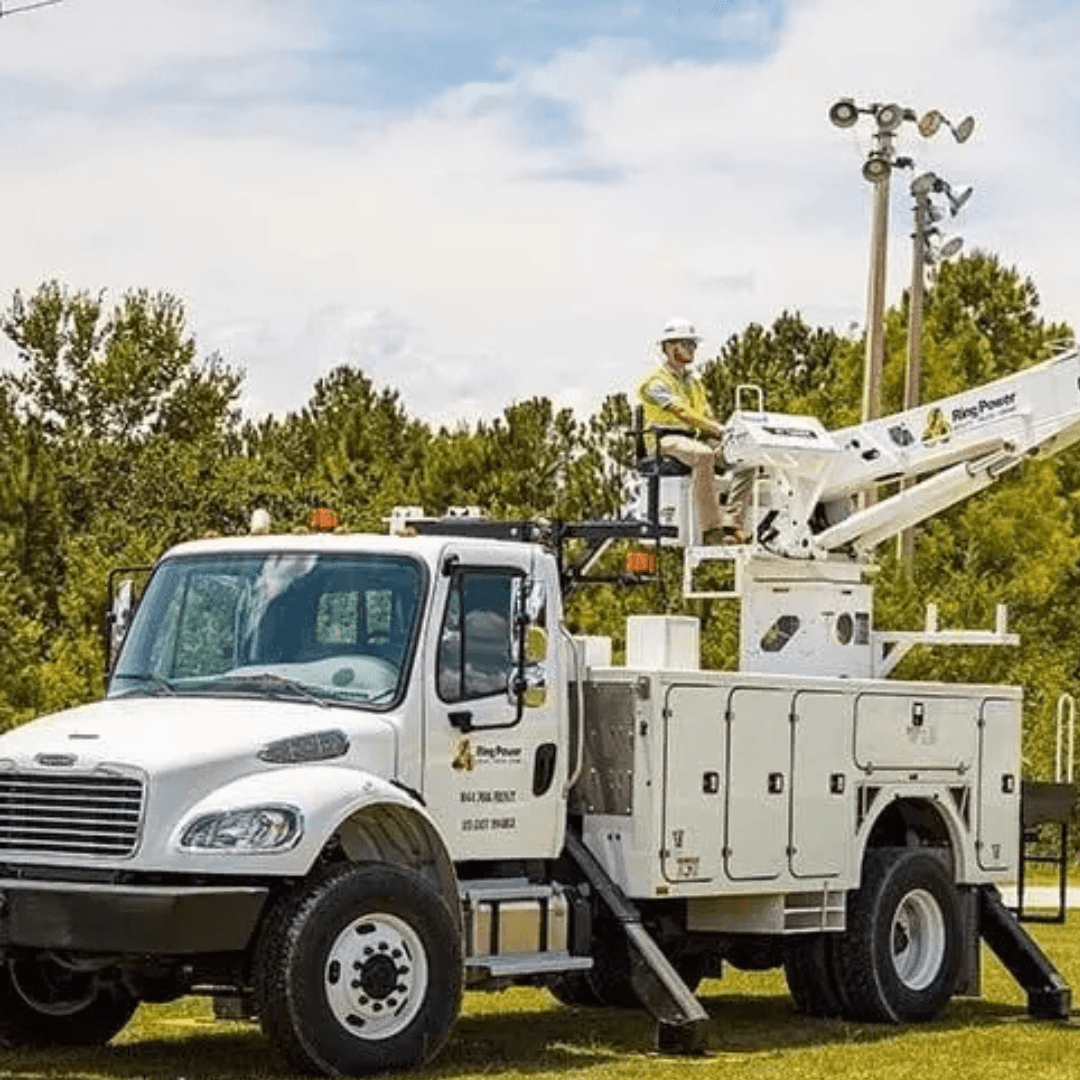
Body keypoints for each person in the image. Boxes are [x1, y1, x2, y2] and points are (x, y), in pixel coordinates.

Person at [636, 318, 750, 545]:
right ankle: (711, 531)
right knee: (703, 455)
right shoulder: (655, 382)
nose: (692, 349)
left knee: (746, 456)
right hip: (664, 439)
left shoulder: (693, 382)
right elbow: (682, 412)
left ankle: (731, 523)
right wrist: (714, 428)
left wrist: (726, 434)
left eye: (693, 345)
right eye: (687, 344)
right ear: (669, 347)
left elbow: (706, 414)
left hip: (696, 438)